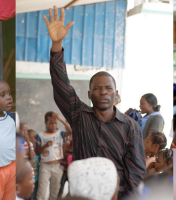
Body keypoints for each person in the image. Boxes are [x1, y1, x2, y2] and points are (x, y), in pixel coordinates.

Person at [43, 6, 145, 198]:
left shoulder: (131, 127)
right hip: (81, 195)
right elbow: (61, 86)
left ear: (116, 94)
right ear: (89, 94)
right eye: (97, 88)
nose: (103, 92)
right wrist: (57, 44)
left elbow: (136, 172)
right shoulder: (79, 115)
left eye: (108, 88)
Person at [34, 112, 71, 200]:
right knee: (41, 192)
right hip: (45, 166)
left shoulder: (60, 134)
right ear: (45, 123)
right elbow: (37, 152)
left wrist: (61, 119)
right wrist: (45, 146)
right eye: (51, 123)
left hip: (58, 166)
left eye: (55, 123)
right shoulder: (40, 135)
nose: (53, 125)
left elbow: (71, 131)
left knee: (54, 193)